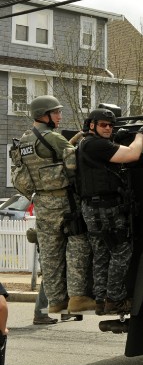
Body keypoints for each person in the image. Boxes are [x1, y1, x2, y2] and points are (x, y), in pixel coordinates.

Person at [17, 95, 95, 315]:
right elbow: (74, 160)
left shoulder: (24, 140)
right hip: (64, 201)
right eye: (56, 112)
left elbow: (50, 159)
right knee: (78, 244)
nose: (60, 116)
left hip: (41, 201)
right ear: (44, 115)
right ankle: (78, 298)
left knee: (50, 253)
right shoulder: (52, 137)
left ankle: (56, 301)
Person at [76, 108, 143, 315]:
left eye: (110, 125)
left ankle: (100, 300)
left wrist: (118, 138)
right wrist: (140, 135)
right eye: (103, 125)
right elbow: (133, 154)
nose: (108, 128)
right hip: (105, 209)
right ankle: (115, 299)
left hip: (93, 208)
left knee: (102, 253)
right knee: (121, 251)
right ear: (92, 125)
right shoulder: (96, 145)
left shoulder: (87, 144)